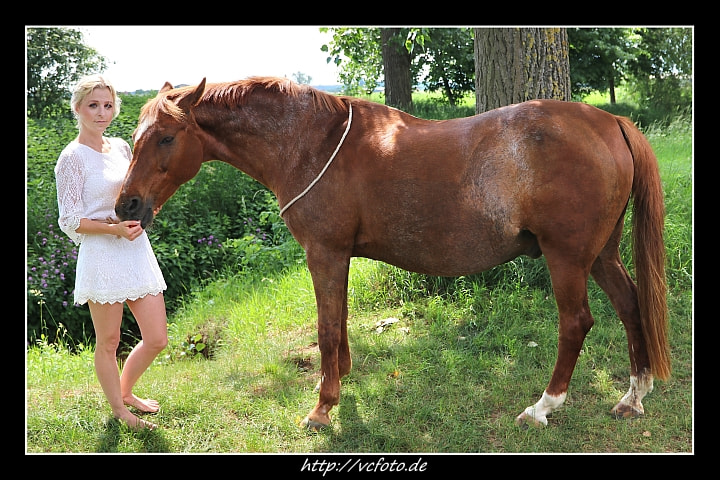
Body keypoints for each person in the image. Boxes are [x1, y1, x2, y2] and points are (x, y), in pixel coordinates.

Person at [54, 74, 168, 431]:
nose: (102, 112)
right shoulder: (71, 158)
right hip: (102, 255)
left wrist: (146, 211)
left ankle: (126, 392)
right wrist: (113, 229)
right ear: (78, 109)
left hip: (134, 251)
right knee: (109, 341)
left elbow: (136, 189)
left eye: (107, 105)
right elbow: (69, 220)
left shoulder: (120, 146)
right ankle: (120, 410)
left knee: (157, 338)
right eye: (93, 105)